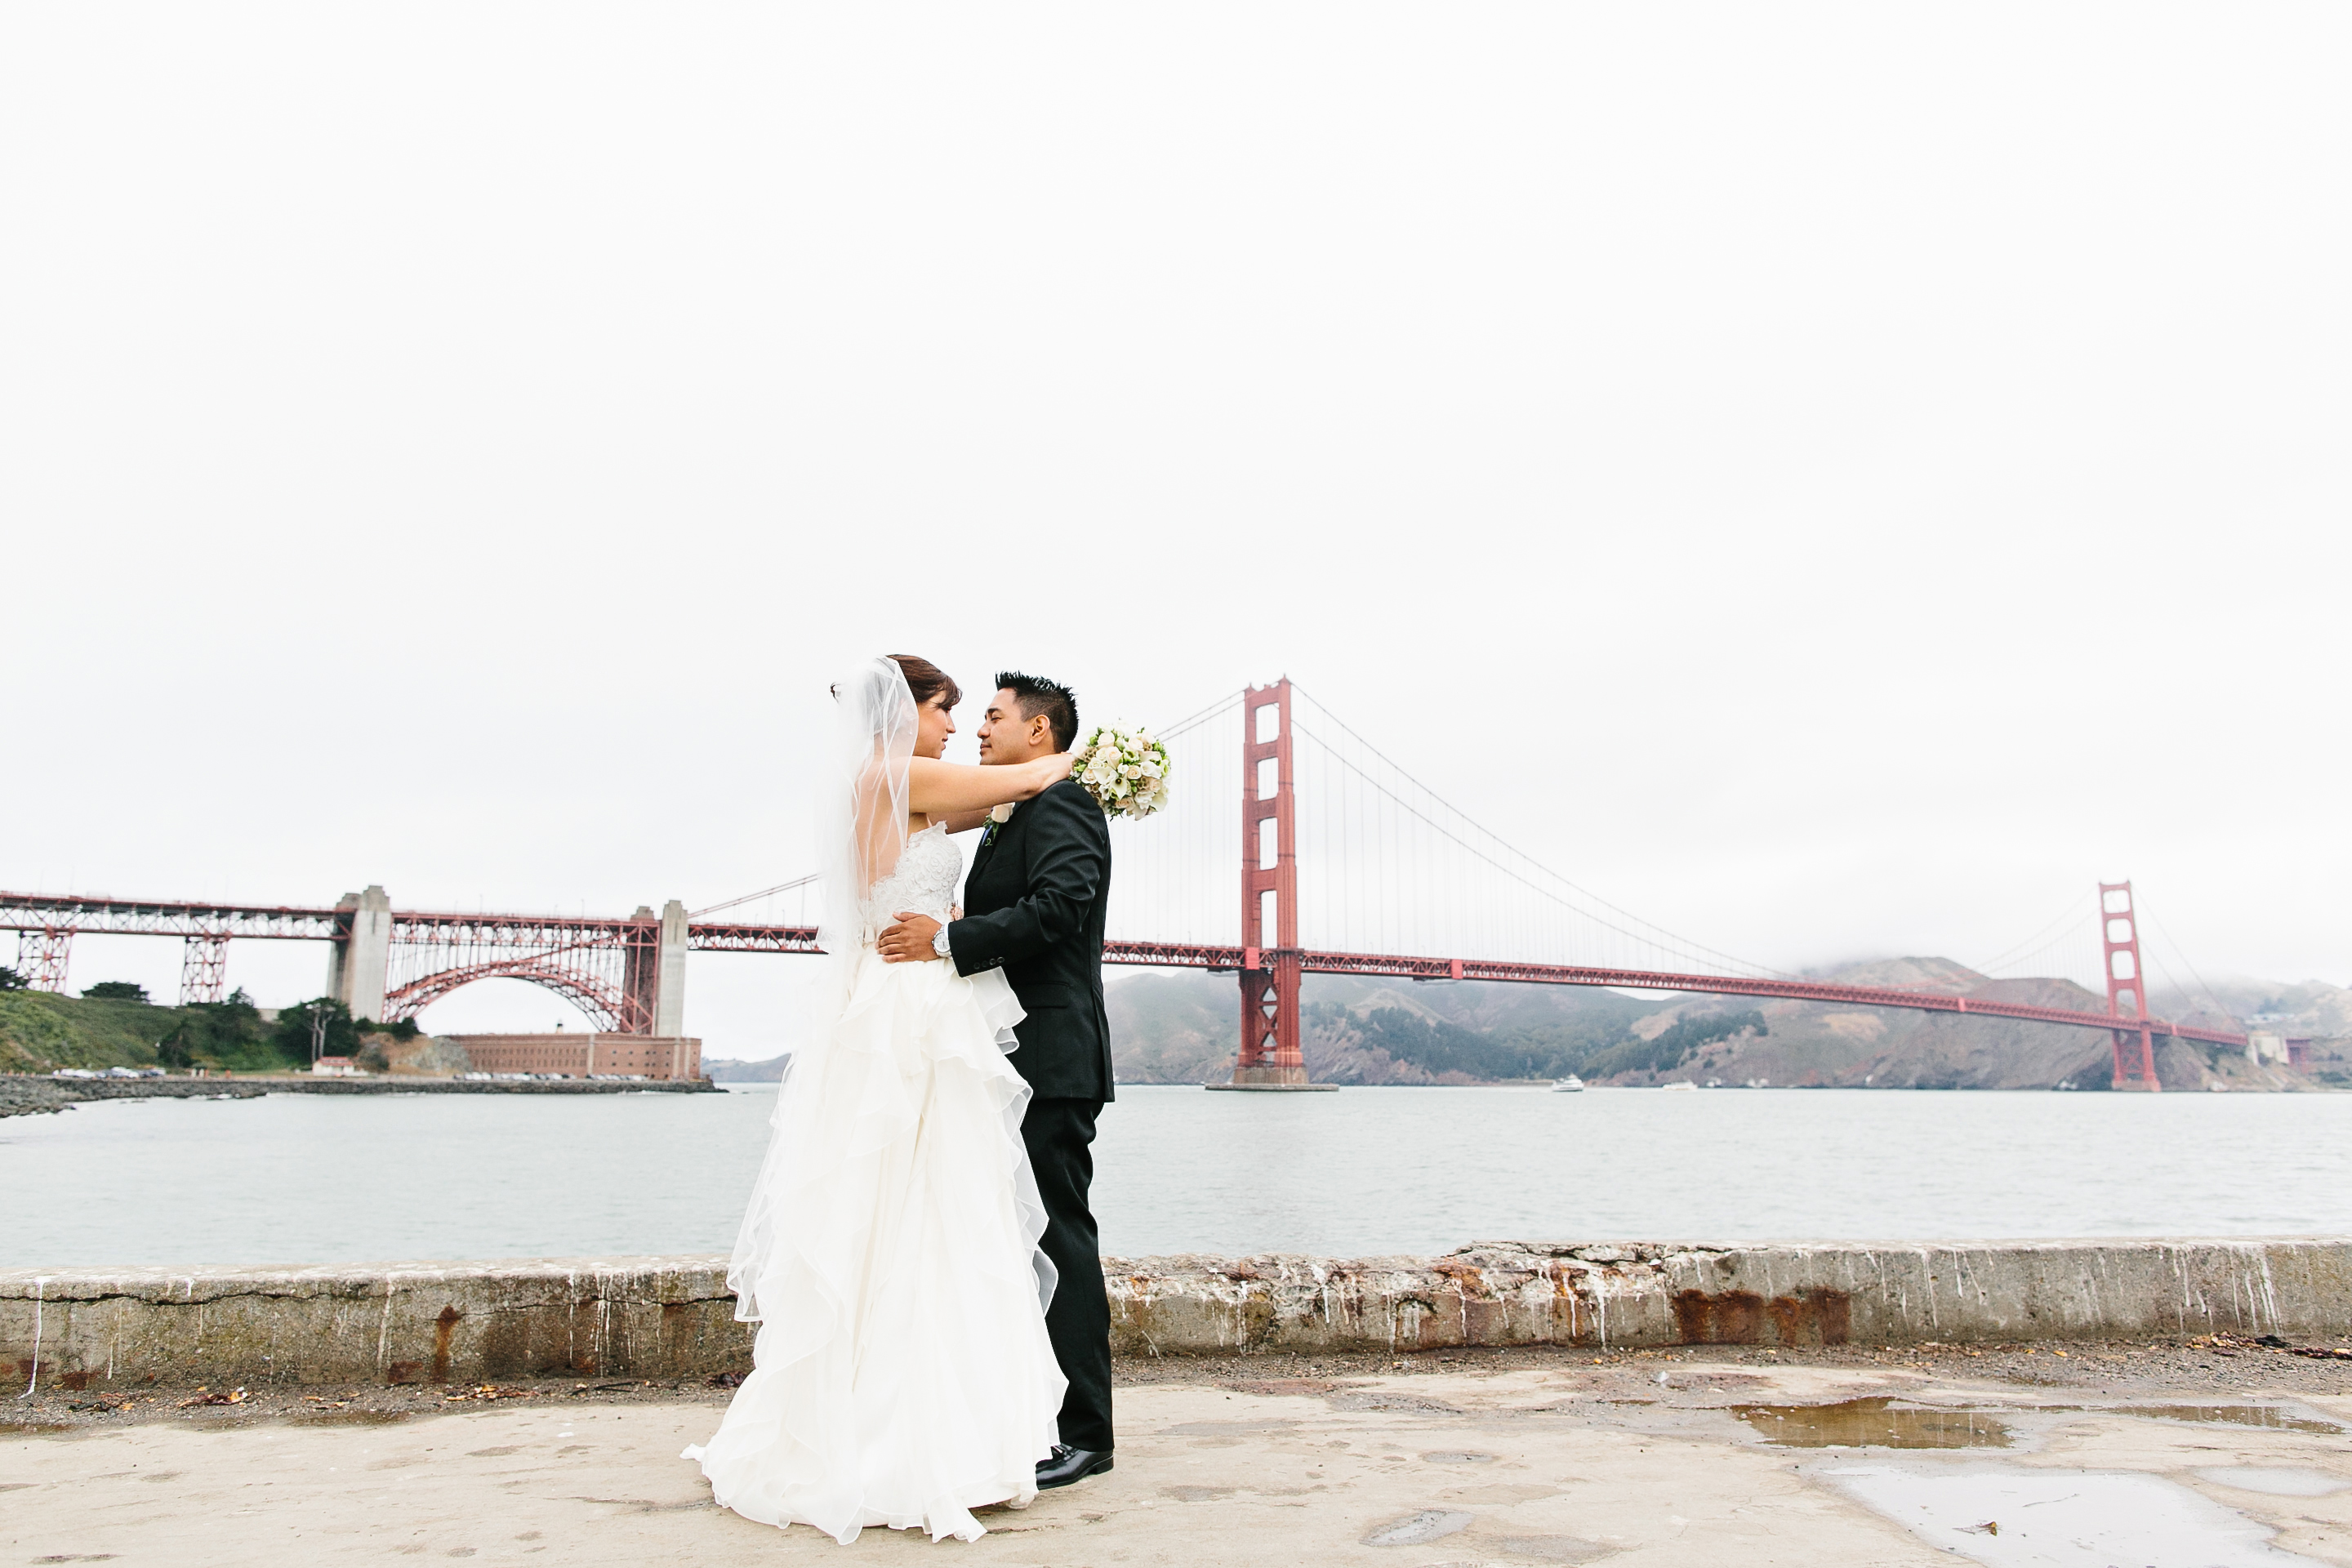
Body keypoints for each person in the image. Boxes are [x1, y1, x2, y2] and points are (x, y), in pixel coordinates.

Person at [684, 655, 1075, 1544]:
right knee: (931, 1205)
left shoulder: (892, 783)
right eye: (949, 711)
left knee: (895, 1210)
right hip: (911, 1012)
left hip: (885, 1001)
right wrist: (1109, 760)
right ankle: (918, 1438)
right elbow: (1031, 775)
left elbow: (994, 800)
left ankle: (875, 1417)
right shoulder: (901, 773)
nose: (958, 727)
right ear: (909, 713)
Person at [878, 670, 1116, 1493]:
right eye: (968, 714)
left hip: (1052, 1056)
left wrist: (949, 940)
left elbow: (1060, 908)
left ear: (1039, 734)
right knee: (1011, 1240)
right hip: (1005, 1054)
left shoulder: (1065, 806)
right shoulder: (1015, 804)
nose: (979, 729)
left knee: (1057, 1237)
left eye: (993, 716)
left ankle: (1088, 1434)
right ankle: (1029, 1418)